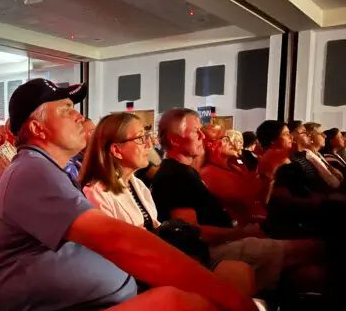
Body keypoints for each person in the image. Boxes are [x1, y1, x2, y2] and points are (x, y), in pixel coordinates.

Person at [0, 78, 270, 311]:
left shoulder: (52, 172)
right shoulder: (30, 171)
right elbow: (121, 242)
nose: (79, 117)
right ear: (37, 127)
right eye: (66, 110)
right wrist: (231, 301)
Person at [80, 112, 255, 296]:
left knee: (241, 274)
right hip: (137, 278)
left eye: (147, 137)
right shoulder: (96, 193)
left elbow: (156, 231)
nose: (150, 143)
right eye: (141, 138)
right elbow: (115, 253)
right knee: (238, 279)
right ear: (116, 150)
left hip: (158, 263)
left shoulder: (136, 184)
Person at [151, 108, 321, 290]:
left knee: (312, 256)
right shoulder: (175, 175)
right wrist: (243, 232)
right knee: (315, 249)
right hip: (212, 250)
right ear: (174, 139)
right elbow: (192, 233)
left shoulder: (187, 171)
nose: (202, 137)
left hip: (228, 239)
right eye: (196, 131)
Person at [200, 124, 271, 226]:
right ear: (210, 144)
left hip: (249, 226)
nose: (230, 143)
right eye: (224, 139)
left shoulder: (232, 165)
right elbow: (245, 197)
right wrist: (265, 178)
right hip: (234, 232)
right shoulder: (209, 172)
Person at [303, 122, 343, 188]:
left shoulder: (318, 154)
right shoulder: (309, 155)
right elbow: (334, 183)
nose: (325, 136)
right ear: (311, 138)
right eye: (321, 134)